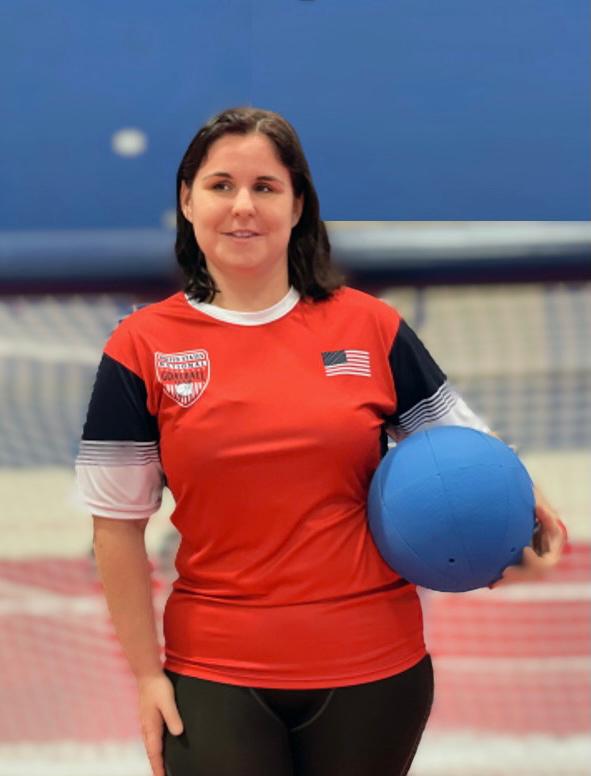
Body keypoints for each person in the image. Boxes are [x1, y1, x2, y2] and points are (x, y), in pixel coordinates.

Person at [75, 107, 567, 776]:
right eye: (220, 185)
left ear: (297, 203)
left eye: (265, 187)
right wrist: (145, 676)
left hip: (374, 671)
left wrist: (525, 515)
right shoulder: (140, 348)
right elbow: (116, 528)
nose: (242, 205)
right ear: (187, 199)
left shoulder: (369, 326)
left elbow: (464, 442)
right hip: (215, 670)